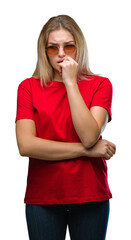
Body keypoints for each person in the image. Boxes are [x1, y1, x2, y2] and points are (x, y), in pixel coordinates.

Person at [15, 15, 116, 240]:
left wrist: (70, 82)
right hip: (43, 198)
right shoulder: (28, 87)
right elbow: (26, 145)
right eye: (53, 48)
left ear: (78, 48)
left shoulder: (100, 85)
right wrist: (85, 151)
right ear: (44, 51)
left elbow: (89, 136)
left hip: (90, 195)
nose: (61, 54)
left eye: (68, 46)